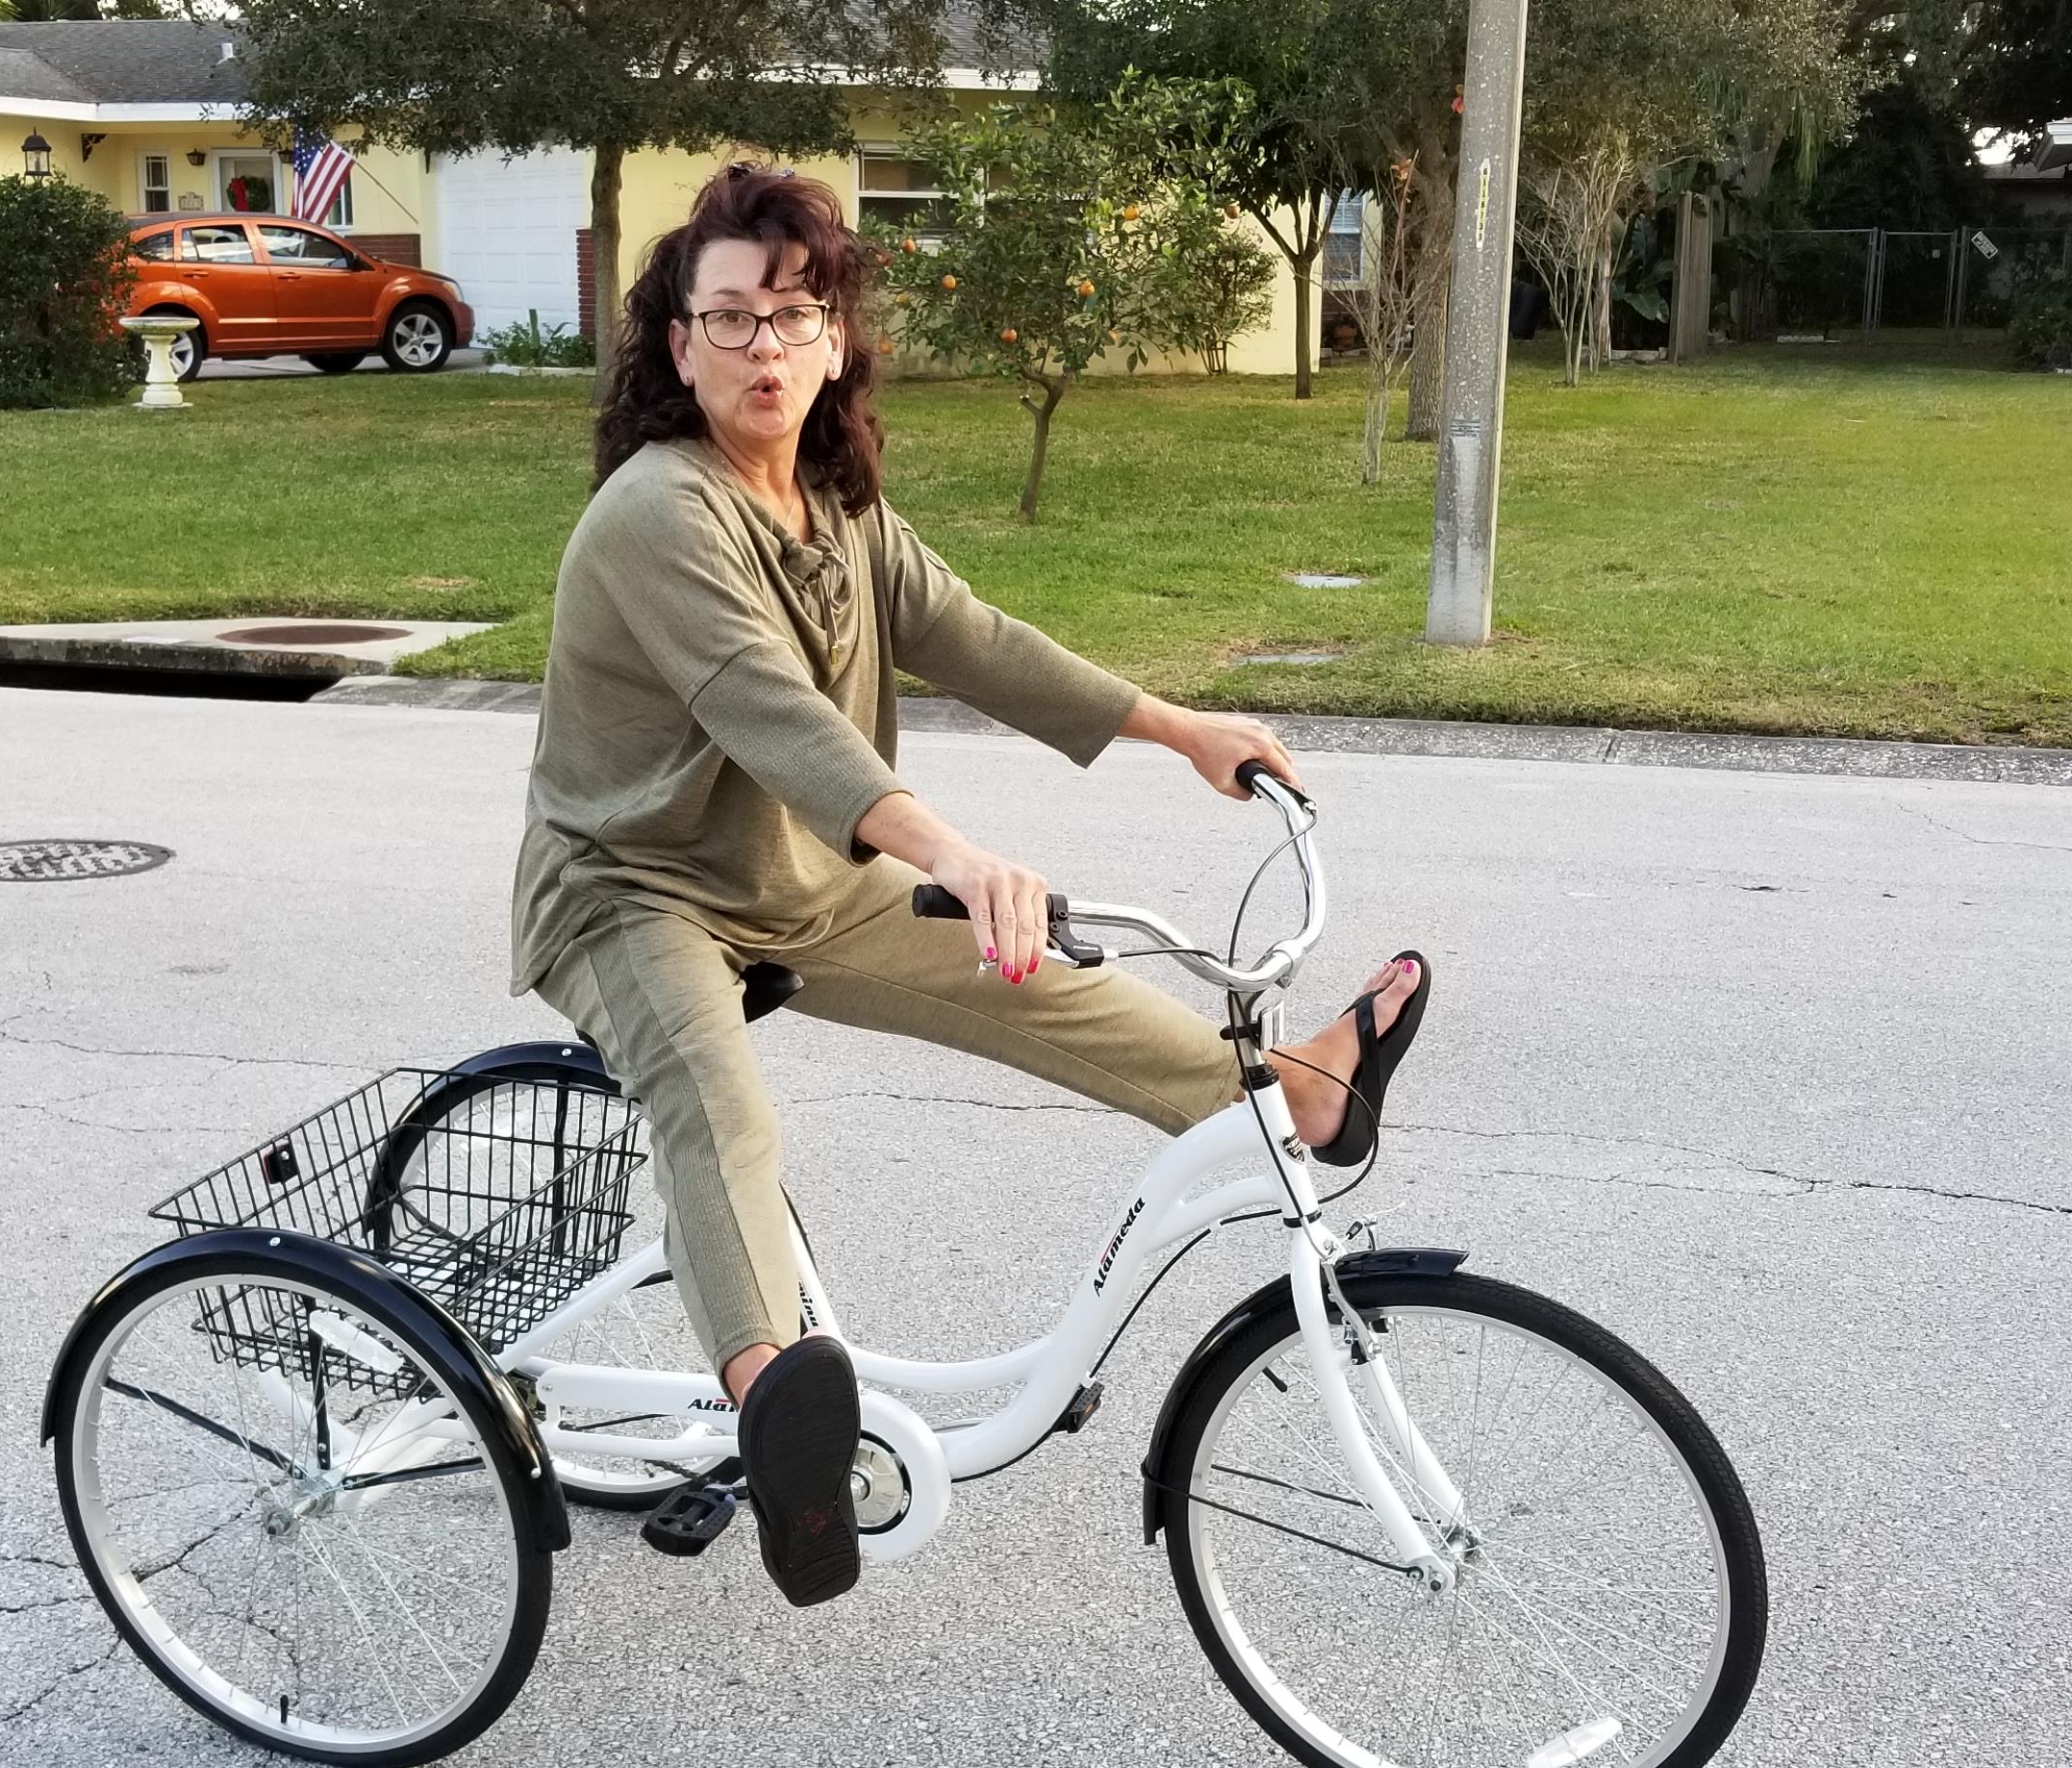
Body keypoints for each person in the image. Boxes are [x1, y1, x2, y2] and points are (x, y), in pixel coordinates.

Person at [513, 164, 1428, 1608]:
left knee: (1057, 986)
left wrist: (1181, 729)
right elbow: (776, 717)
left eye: (792, 316)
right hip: (636, 891)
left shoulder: (831, 504)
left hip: (802, 879)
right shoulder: (658, 514)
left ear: (834, 341)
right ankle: (783, 1422)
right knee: (718, 1100)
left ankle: (1289, 1094)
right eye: (731, 318)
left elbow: (972, 635)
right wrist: (955, 853)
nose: (764, 347)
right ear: (677, 344)